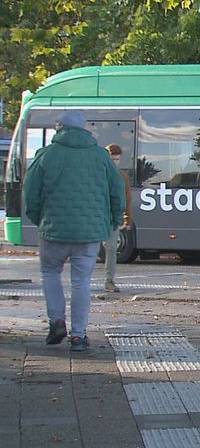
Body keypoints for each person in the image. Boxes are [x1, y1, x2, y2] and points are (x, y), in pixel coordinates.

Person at [23, 110, 125, 352]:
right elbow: (117, 192)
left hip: (53, 230)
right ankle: (78, 335)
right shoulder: (101, 156)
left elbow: (30, 194)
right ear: (84, 128)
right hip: (89, 232)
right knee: (81, 281)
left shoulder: (46, 155)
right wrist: (112, 222)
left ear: (60, 127)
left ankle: (56, 322)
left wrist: (41, 220)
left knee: (50, 273)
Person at [102, 143, 133, 292]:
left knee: (112, 249)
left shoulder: (122, 177)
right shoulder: (99, 174)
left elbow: (127, 198)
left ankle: (109, 281)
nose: (115, 162)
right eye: (112, 159)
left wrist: (127, 217)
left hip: (112, 218)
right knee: (90, 249)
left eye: (117, 159)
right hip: (98, 217)